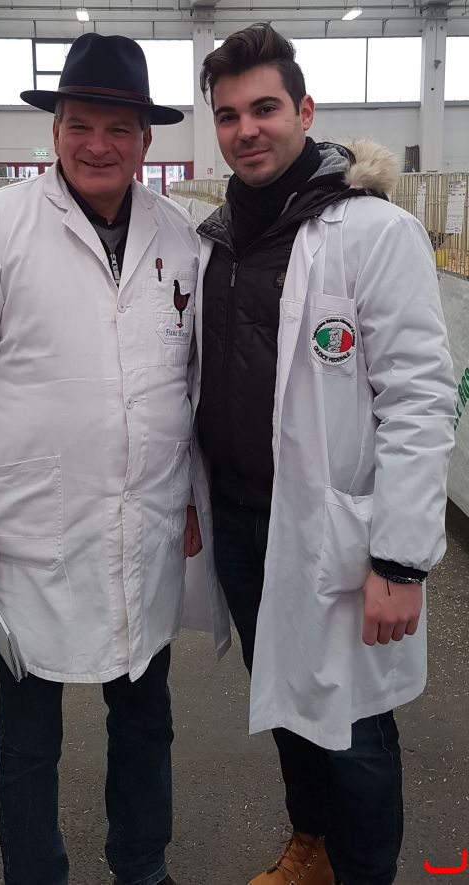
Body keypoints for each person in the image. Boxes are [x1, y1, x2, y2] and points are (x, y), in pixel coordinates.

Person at [0, 33, 205, 885]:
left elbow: (187, 382)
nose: (97, 145)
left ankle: (141, 864)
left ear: (146, 140)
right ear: (54, 132)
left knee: (145, 718)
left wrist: (191, 494)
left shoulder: (179, 236)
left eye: (118, 128)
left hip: (143, 524)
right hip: (28, 534)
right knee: (27, 732)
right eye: (80, 124)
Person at [191, 23, 457, 885]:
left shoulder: (372, 232)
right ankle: (311, 847)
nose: (247, 129)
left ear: (305, 112)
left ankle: (364, 869)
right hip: (242, 521)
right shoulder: (218, 240)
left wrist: (400, 558)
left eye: (265, 108)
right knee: (288, 699)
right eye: (228, 115)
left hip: (338, 527)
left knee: (356, 727)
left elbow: (419, 400)